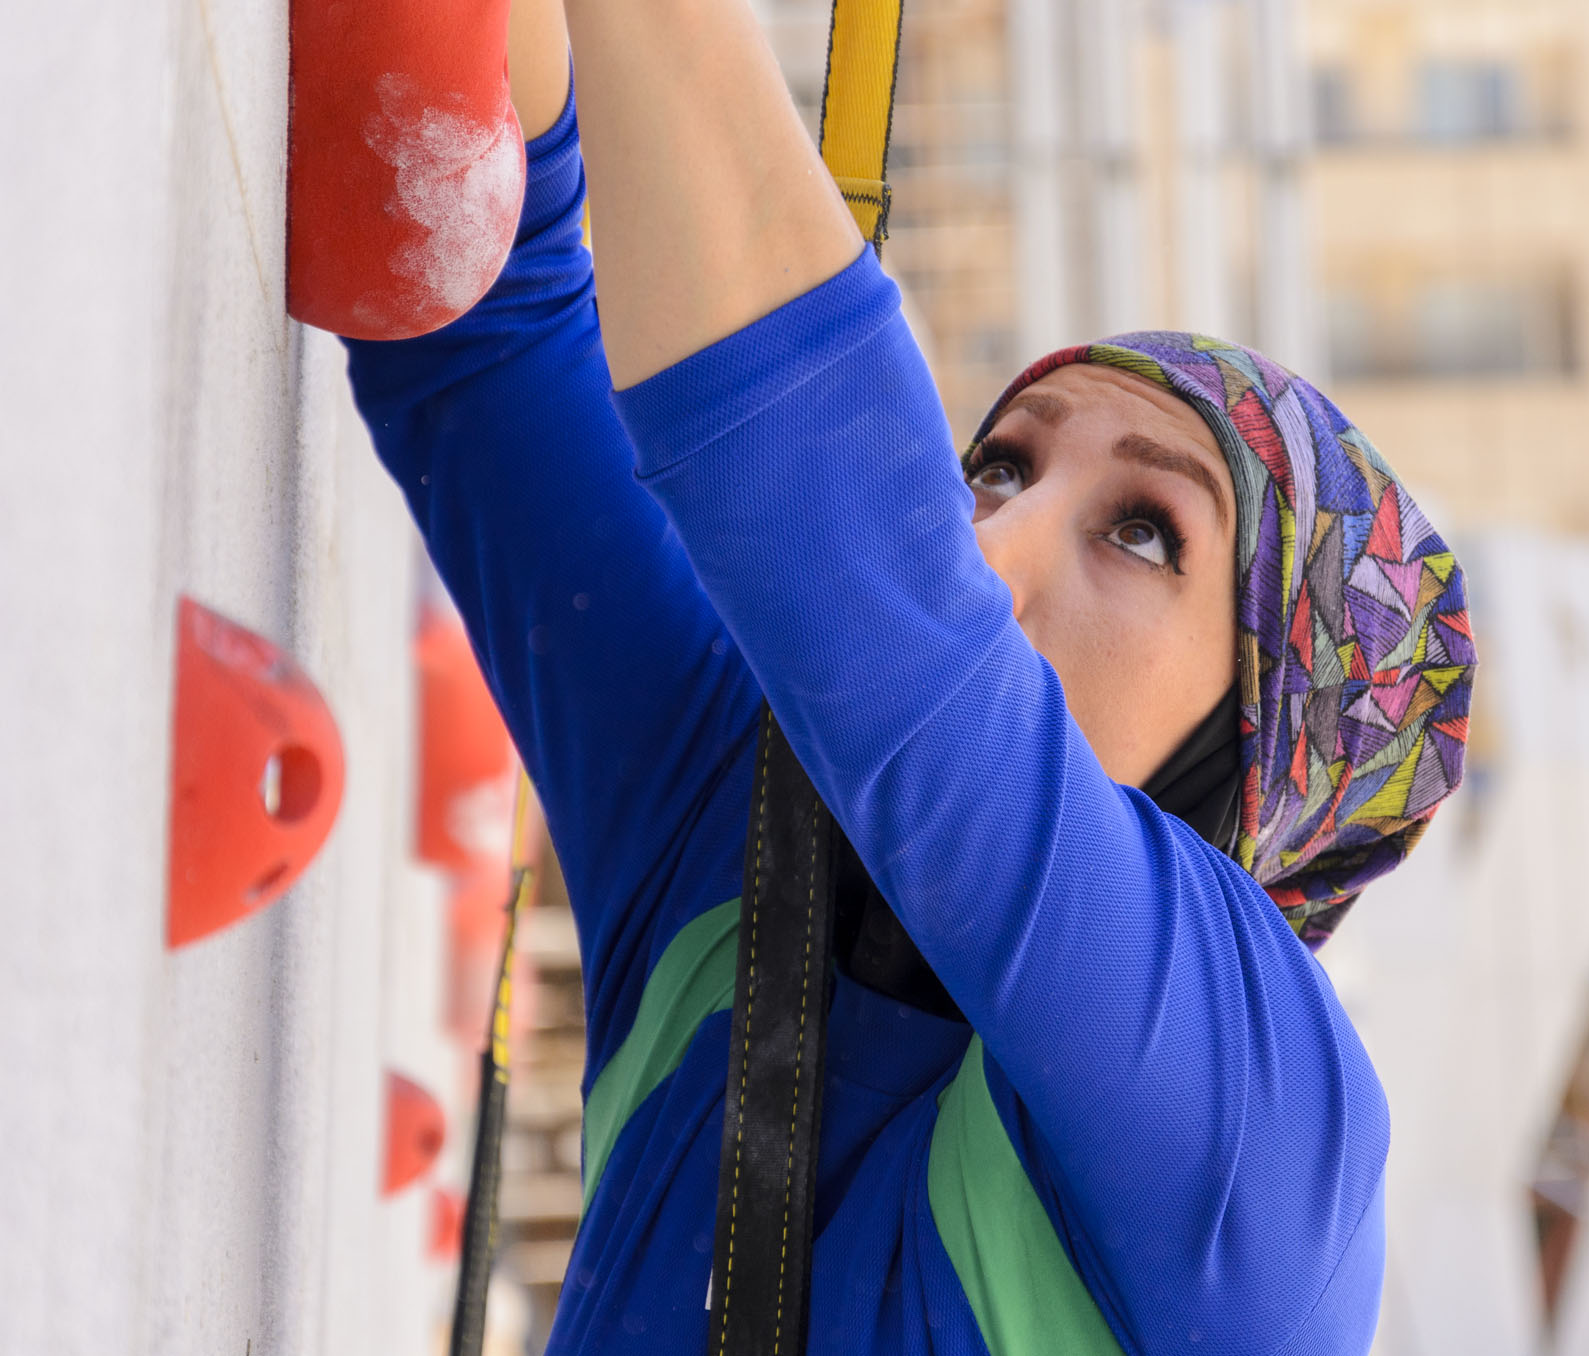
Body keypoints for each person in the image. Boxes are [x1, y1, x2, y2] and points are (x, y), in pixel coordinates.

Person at [339, 0, 1472, 1349]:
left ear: (1259, 748)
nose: (990, 547)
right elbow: (478, 294)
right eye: (999, 467)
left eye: (1141, 532)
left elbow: (900, 632)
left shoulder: (1264, 1142)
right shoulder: (738, 835)